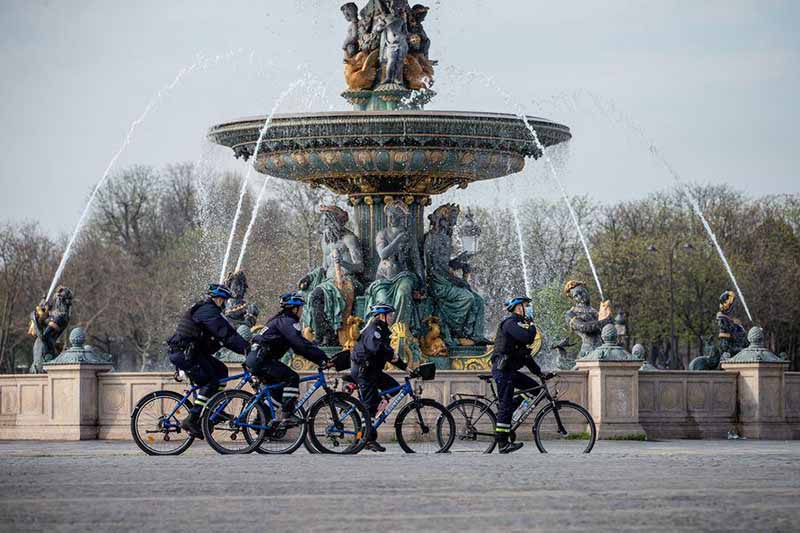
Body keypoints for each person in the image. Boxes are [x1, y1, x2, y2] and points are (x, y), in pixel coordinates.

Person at [167, 284, 249, 437]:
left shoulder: (207, 309)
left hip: (191, 353)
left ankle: (212, 407)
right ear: (218, 299)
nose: (225, 304)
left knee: (221, 371)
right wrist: (246, 349)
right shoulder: (207, 311)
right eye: (224, 301)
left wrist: (244, 346)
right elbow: (226, 334)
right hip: (183, 354)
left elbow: (225, 335)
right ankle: (191, 419)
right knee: (211, 381)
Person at [245, 293, 329, 421]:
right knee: (292, 377)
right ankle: (287, 415)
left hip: (257, 358)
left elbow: (298, 347)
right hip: (261, 360)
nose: (302, 311)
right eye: (301, 308)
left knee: (277, 390)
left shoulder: (279, 320)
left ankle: (263, 424)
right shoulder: (288, 322)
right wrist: (322, 358)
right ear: (295, 309)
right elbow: (300, 344)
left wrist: (318, 358)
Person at [491, 296, 554, 454]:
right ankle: (503, 444)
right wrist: (532, 324)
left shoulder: (517, 325)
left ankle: (510, 408)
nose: (529, 308)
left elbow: (525, 356)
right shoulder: (510, 323)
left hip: (510, 371)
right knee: (505, 406)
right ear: (519, 308)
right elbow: (528, 337)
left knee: (534, 388)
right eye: (526, 306)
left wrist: (539, 373)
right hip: (503, 371)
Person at [350, 303, 408, 452]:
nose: (392, 318)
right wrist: (391, 353)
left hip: (372, 370)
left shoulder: (381, 330)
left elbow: (387, 354)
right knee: (369, 406)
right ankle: (367, 439)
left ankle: (379, 403)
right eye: (390, 315)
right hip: (364, 371)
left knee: (393, 387)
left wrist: (407, 368)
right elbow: (376, 348)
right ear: (381, 316)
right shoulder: (374, 329)